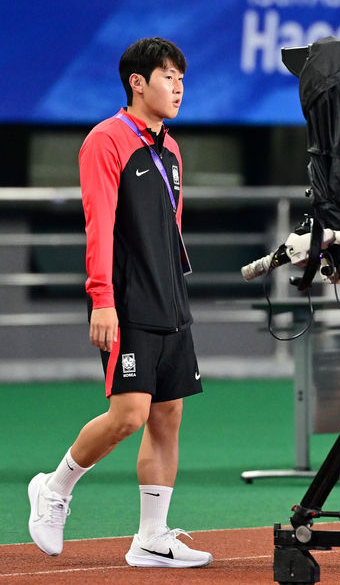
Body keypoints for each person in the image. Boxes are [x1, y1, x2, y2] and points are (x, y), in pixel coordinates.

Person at [27, 37, 212, 569]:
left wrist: (178, 291)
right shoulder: (105, 141)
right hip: (125, 301)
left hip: (170, 299)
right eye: (168, 76)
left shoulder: (170, 149)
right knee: (129, 414)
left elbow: (170, 230)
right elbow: (99, 226)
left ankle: (151, 539)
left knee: (167, 415)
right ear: (137, 82)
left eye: (182, 78)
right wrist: (102, 300)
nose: (178, 87)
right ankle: (54, 488)